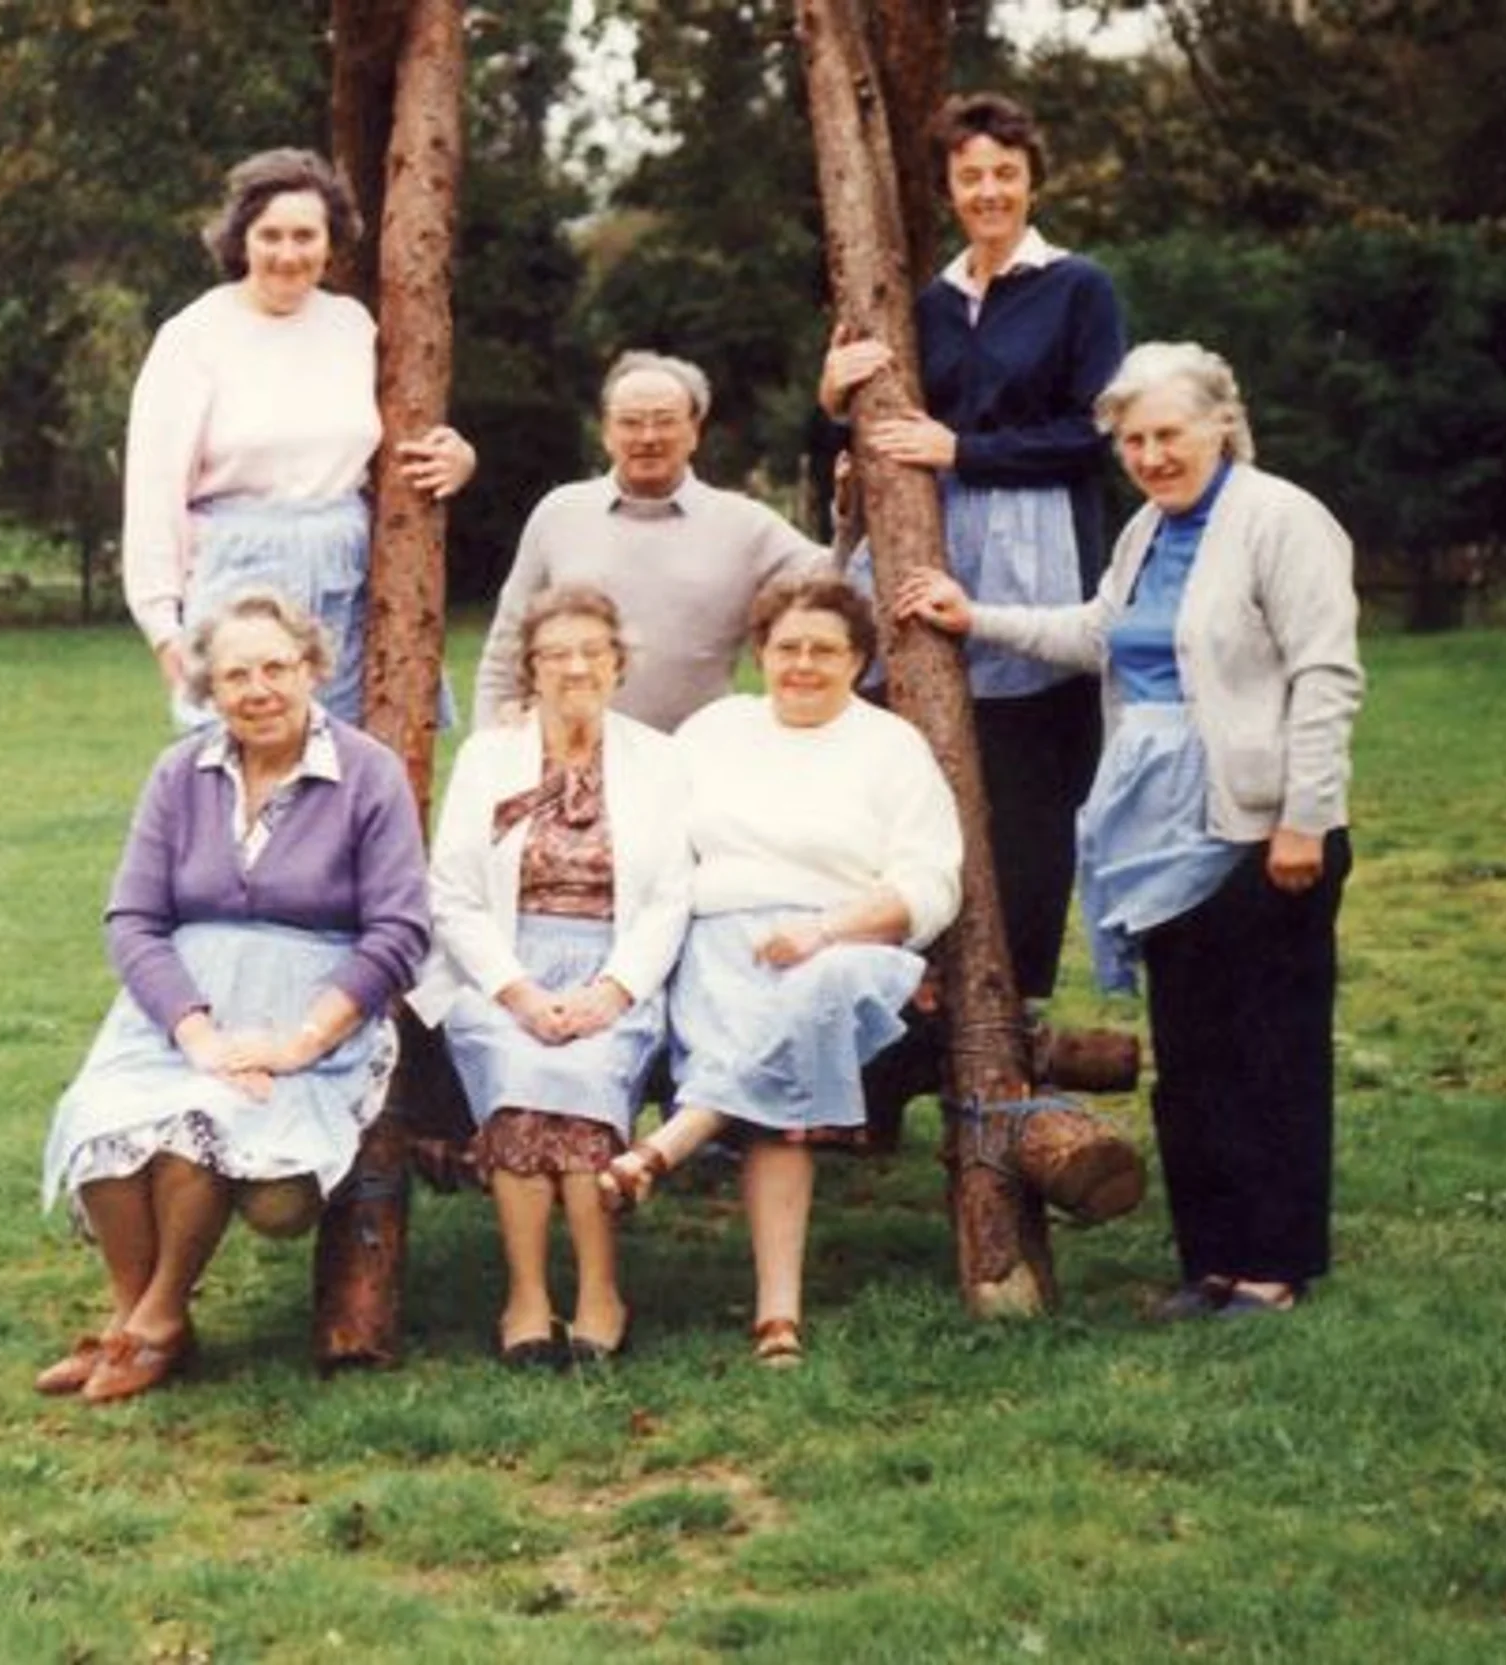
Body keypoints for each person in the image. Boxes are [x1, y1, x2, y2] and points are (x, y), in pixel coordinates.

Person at [894, 341, 1363, 1321]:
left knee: (1268, 1050)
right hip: (1160, 826)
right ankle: (1212, 1261)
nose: (1151, 456)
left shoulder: (1282, 519)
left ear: (1222, 424)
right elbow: (1097, 634)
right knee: (1190, 1054)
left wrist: (1304, 819)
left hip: (1257, 827)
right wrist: (975, 617)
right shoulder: (1148, 528)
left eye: (1169, 434)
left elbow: (1326, 676)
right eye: (1134, 441)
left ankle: (1275, 1262)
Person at [39, 589, 431, 1402]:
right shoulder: (179, 774)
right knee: (101, 1117)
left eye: (276, 668)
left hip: (309, 1015)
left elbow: (398, 931)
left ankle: (152, 1324)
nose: (259, 690)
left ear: (312, 669)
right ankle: (141, 1316)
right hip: (179, 1010)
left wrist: (299, 1041)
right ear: (208, 690)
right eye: (235, 676)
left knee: (201, 1124)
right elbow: (133, 918)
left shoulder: (368, 773)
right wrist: (196, 1032)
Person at [601, 576, 962, 1367]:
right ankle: (778, 1317)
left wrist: (823, 930)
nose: (803, 664)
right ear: (760, 652)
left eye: (824, 650)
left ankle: (671, 1142)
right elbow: (657, 849)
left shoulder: (890, 746)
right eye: (786, 647)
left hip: (847, 945)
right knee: (778, 1083)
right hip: (718, 939)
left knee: (813, 996)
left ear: (858, 660)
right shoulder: (713, 731)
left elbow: (932, 882)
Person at [819, 91, 1125, 1006]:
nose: (989, 190)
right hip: (936, 538)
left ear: (1033, 181)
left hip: (1038, 548)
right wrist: (832, 396)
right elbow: (878, 436)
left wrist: (964, 450)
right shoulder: (930, 303)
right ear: (948, 188)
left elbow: (1097, 433)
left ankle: (1015, 998)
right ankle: (906, 988)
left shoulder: (1078, 288)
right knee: (907, 754)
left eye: (1006, 173)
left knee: (1027, 781)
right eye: (970, 175)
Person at [410, 587, 692, 1369]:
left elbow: (671, 895)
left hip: (613, 967)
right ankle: (527, 1294)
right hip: (502, 968)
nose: (575, 667)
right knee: (521, 1072)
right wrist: (521, 994)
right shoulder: (489, 756)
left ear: (619, 664)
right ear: (529, 668)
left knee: (585, 1072)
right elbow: (453, 893)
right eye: (556, 653)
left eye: (593, 651)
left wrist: (612, 991)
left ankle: (601, 1290)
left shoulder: (659, 760)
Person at [121, 147, 476, 729]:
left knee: (347, 759)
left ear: (331, 242)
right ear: (241, 239)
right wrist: (163, 628)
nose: (288, 254)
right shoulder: (193, 337)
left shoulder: (352, 326)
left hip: (347, 576)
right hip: (238, 576)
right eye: (271, 235)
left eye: (305, 236)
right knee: (242, 756)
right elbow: (153, 494)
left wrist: (456, 457)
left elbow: (396, 443)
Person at [471, 351, 827, 734]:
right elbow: (506, 650)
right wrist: (489, 743)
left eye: (665, 421)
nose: (648, 437)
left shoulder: (745, 525)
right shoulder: (560, 513)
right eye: (630, 422)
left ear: (694, 431)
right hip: (575, 752)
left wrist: (851, 517)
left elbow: (838, 582)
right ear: (607, 432)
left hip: (695, 754)